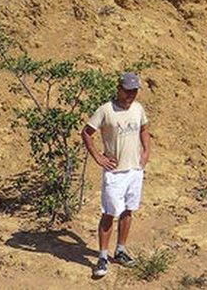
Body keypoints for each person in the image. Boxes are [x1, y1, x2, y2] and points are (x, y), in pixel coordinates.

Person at [81, 72, 150, 278]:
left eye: (134, 91)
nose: (131, 95)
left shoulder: (138, 109)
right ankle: (102, 256)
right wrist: (98, 157)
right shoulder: (105, 110)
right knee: (109, 213)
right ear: (118, 89)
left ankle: (120, 251)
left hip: (135, 170)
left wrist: (146, 151)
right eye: (128, 91)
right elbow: (86, 132)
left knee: (128, 211)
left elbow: (144, 129)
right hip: (115, 173)